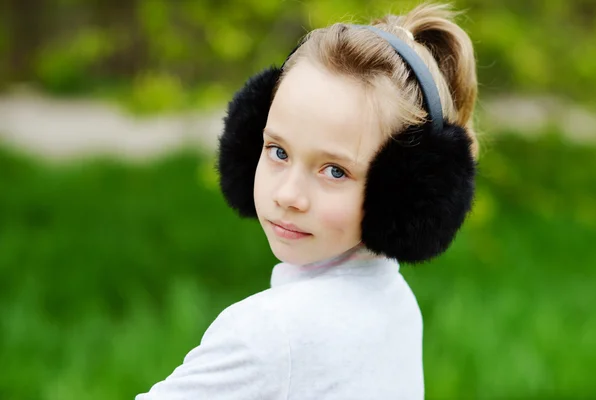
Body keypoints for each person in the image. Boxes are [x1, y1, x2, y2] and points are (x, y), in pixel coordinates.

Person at [135, 2, 478, 399]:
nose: (288, 195)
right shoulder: (397, 303)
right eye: (278, 151)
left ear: (407, 194)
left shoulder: (267, 335)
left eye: (335, 171)